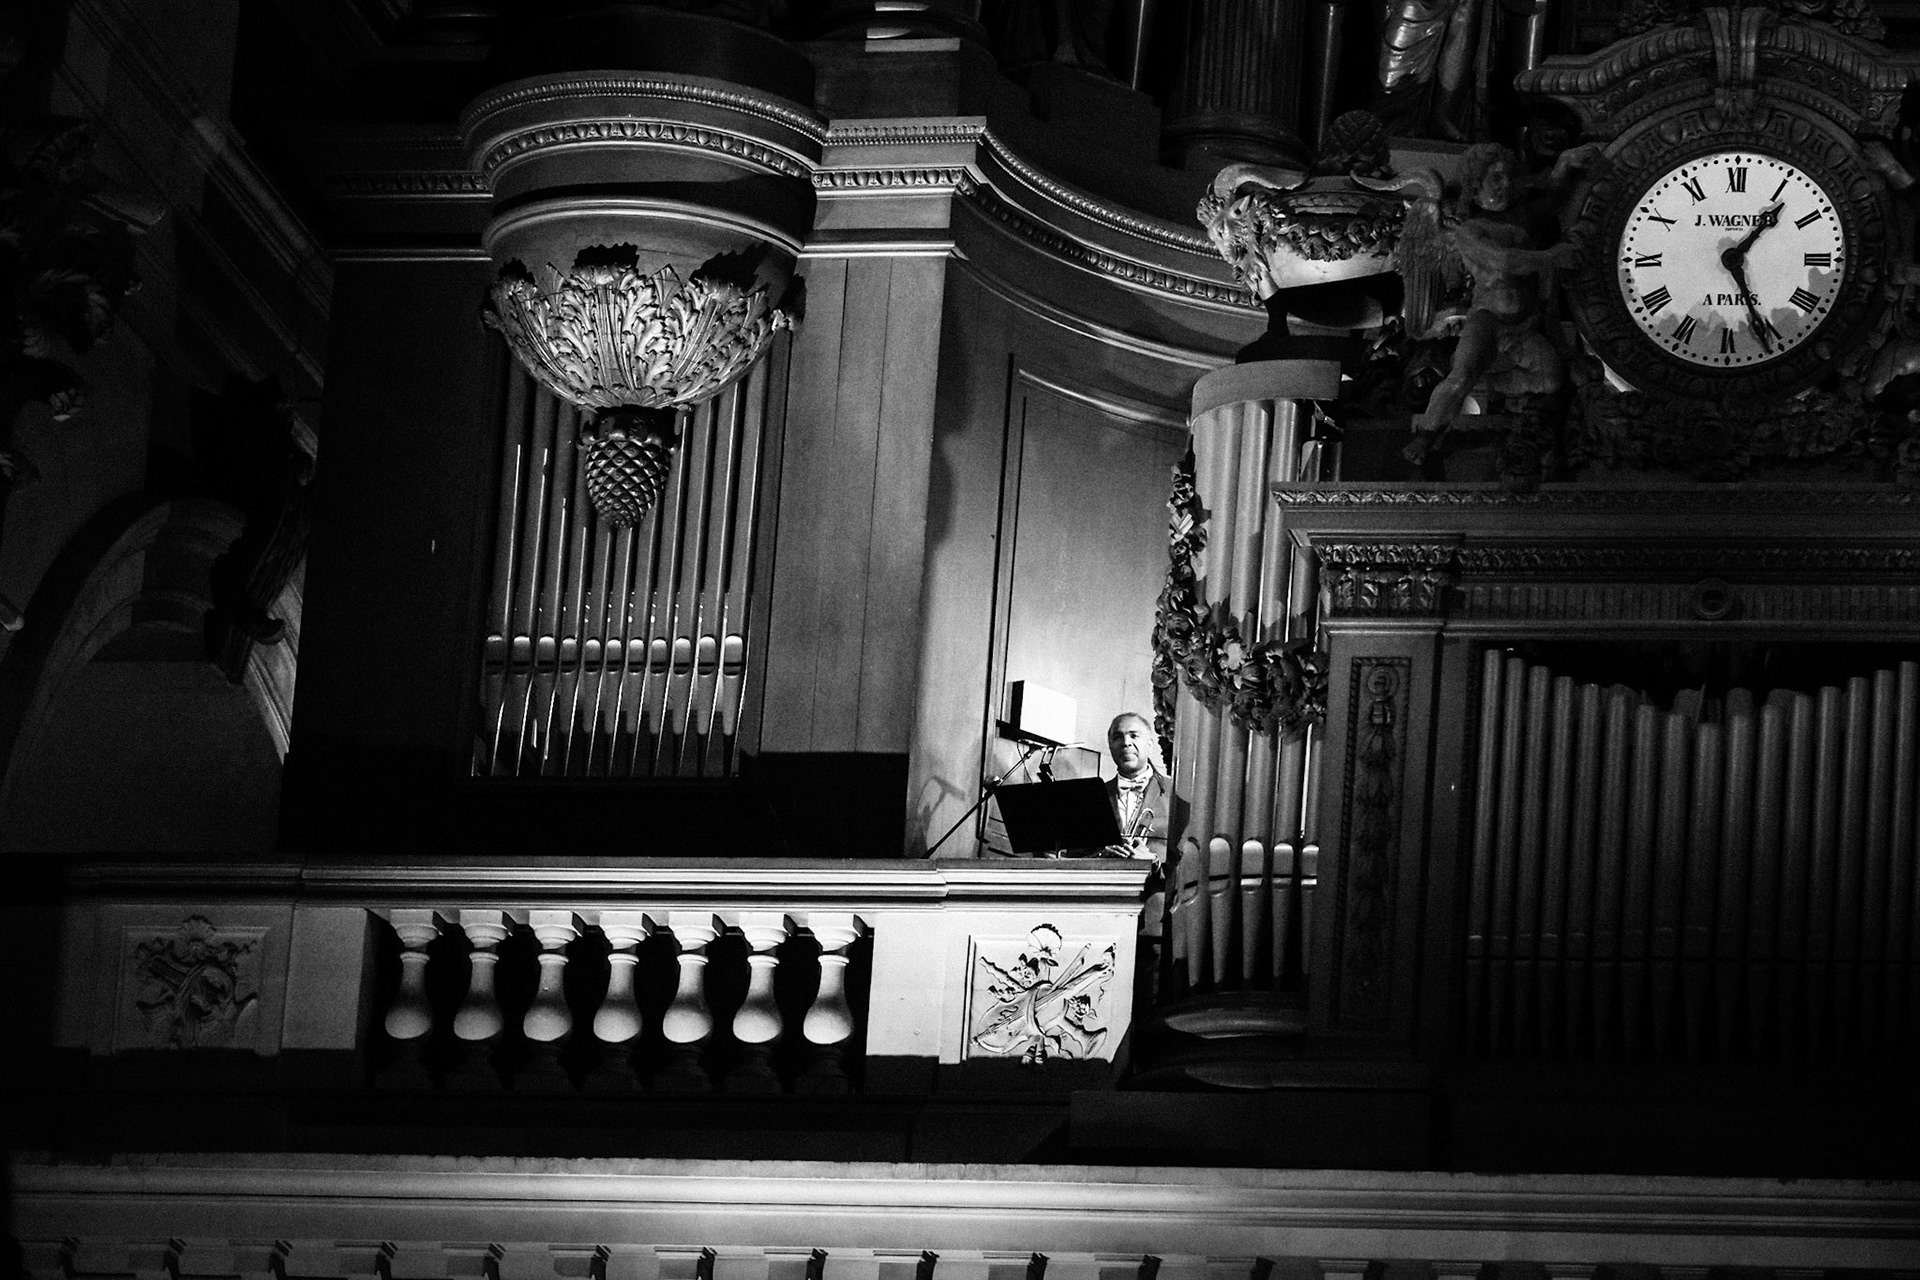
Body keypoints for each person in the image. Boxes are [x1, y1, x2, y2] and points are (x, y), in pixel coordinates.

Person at [1102, 712, 1171, 862]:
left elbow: (1191, 853)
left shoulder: (1175, 792)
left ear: (1150, 745)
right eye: (1118, 737)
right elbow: (1076, 854)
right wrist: (1101, 856)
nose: (1126, 742)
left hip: (1157, 884)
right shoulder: (1095, 797)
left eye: (1134, 736)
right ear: (1110, 746)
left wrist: (1153, 860)